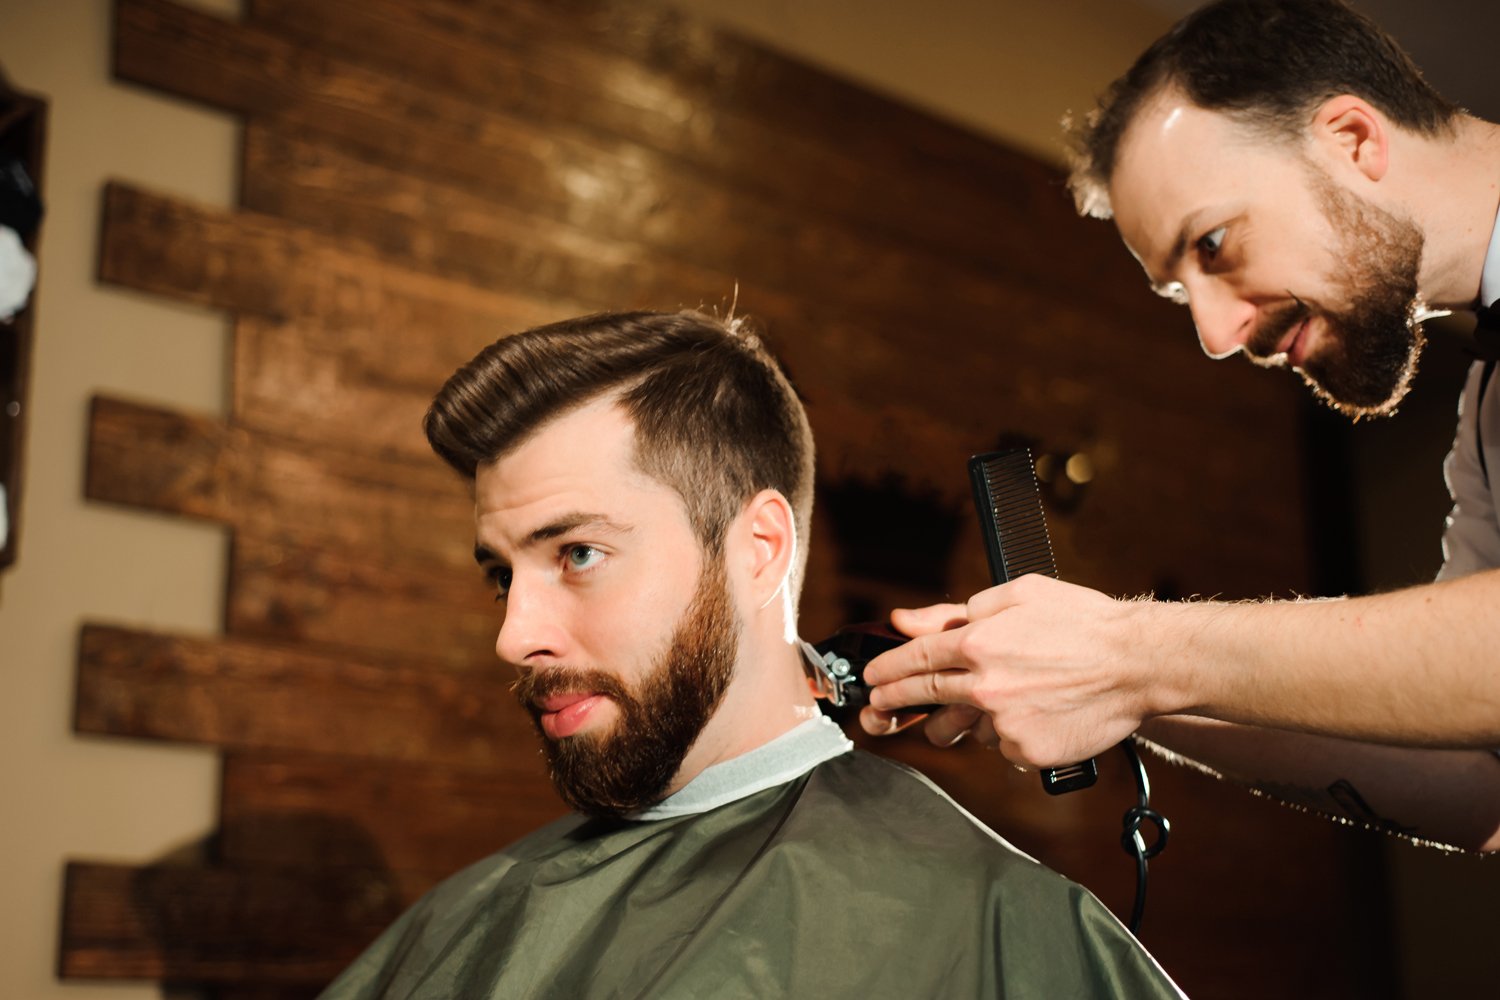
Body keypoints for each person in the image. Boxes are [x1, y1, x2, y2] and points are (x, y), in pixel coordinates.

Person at [316, 310, 1183, 998]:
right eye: (502, 576)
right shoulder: (463, 927)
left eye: (577, 554)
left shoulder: (992, 925)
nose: (513, 635)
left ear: (758, 548)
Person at [861, 0, 1500, 854]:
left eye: (1214, 244)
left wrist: (1131, 652)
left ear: (1353, 139)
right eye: (1178, 293)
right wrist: (1114, 687)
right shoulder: (1488, 416)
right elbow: (1474, 773)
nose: (1214, 336)